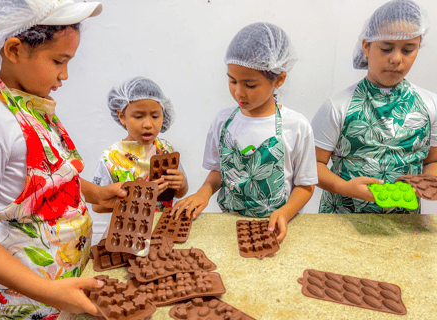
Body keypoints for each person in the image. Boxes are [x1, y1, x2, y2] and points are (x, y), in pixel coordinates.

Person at [0, 1, 128, 318]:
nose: (65, 75)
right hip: (29, 295)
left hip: (66, 282)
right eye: (58, 61)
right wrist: (50, 292)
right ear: (14, 50)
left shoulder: (28, 103)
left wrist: (95, 193)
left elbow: (49, 177)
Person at [170, 22, 318, 243]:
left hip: (277, 228)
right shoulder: (223, 122)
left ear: (279, 79)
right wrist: (204, 192)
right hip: (227, 226)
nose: (238, 92)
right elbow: (218, 172)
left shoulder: (296, 126)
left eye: (250, 84)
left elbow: (305, 186)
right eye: (232, 81)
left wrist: (285, 213)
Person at [311, 0, 437, 214]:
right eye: (386, 48)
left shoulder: (430, 105)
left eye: (408, 50)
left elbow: (433, 160)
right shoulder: (338, 106)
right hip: (342, 221)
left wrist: (426, 182)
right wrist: (344, 187)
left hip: (404, 225)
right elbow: (313, 165)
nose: (396, 59)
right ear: (366, 47)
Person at [92, 76, 188, 214]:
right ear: (121, 116)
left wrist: (182, 184)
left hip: (161, 229)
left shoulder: (166, 149)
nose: (148, 125)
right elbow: (97, 206)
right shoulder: (110, 158)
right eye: (138, 116)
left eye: (155, 116)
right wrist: (134, 198)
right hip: (127, 231)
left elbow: (179, 193)